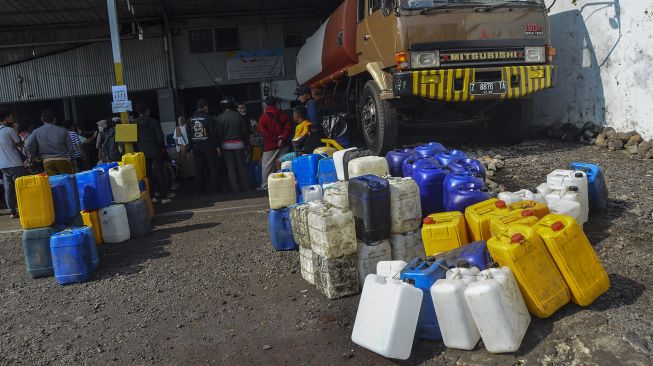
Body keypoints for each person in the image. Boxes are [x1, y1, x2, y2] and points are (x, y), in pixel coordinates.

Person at [135, 102, 172, 204]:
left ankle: (152, 197)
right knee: (159, 173)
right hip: (155, 152)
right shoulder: (154, 122)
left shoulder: (134, 123)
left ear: (138, 112)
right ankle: (164, 197)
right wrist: (161, 147)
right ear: (147, 110)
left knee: (148, 175)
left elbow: (133, 140)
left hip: (142, 154)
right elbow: (160, 138)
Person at [25, 109, 75, 175]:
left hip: (47, 161)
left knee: (53, 182)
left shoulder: (36, 131)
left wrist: (33, 157)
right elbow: (70, 146)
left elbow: (28, 144)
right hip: (63, 159)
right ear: (55, 119)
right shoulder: (63, 130)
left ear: (42, 119)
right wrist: (73, 159)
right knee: (68, 181)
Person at [217, 96, 250, 192]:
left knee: (231, 168)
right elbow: (244, 132)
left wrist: (218, 146)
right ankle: (246, 186)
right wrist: (246, 144)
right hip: (239, 144)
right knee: (241, 166)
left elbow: (218, 134)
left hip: (226, 146)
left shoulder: (220, 118)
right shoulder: (239, 116)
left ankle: (235, 188)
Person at [257, 96, 291, 190]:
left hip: (270, 146)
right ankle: (284, 184)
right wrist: (282, 138)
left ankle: (266, 185)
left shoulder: (263, 118)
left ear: (266, 105)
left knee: (267, 166)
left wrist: (276, 139)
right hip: (284, 144)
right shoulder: (284, 115)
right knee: (283, 165)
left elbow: (264, 133)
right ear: (276, 104)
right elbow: (288, 128)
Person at [188, 98, 220, 196]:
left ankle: (199, 191)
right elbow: (212, 133)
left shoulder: (190, 119)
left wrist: (191, 147)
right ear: (205, 107)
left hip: (196, 147)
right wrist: (217, 146)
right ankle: (215, 190)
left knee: (199, 170)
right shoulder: (208, 118)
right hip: (208, 146)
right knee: (212, 169)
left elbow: (189, 135)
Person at [0, 111, 26, 218]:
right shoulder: (9, 130)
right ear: (6, 119)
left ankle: (12, 211)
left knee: (9, 188)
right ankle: (25, 209)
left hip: (2, 165)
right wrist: (15, 130)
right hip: (14, 163)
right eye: (11, 118)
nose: (12, 119)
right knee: (20, 187)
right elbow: (20, 143)